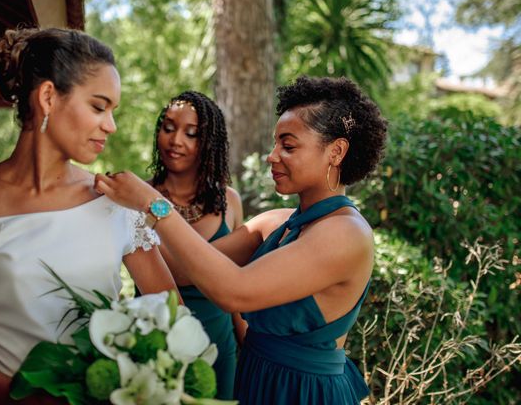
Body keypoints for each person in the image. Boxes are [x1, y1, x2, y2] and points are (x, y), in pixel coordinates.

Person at [0, 27, 177, 405]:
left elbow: (171, 317)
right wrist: (32, 399)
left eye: (112, 111)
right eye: (99, 106)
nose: (111, 125)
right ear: (48, 96)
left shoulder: (113, 200)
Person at [96, 76, 388, 404]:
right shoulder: (275, 222)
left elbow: (233, 291)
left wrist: (153, 204)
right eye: (275, 143)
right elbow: (183, 270)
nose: (272, 155)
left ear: (336, 151)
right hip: (254, 378)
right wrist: (130, 218)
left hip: (302, 392)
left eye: (288, 146)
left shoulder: (345, 233)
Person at [148, 90, 246, 399]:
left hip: (219, 346)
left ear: (209, 144)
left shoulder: (229, 201)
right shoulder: (138, 199)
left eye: (191, 133)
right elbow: (178, 273)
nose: (175, 140)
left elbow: (238, 280)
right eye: (168, 127)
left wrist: (248, 345)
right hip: (156, 347)